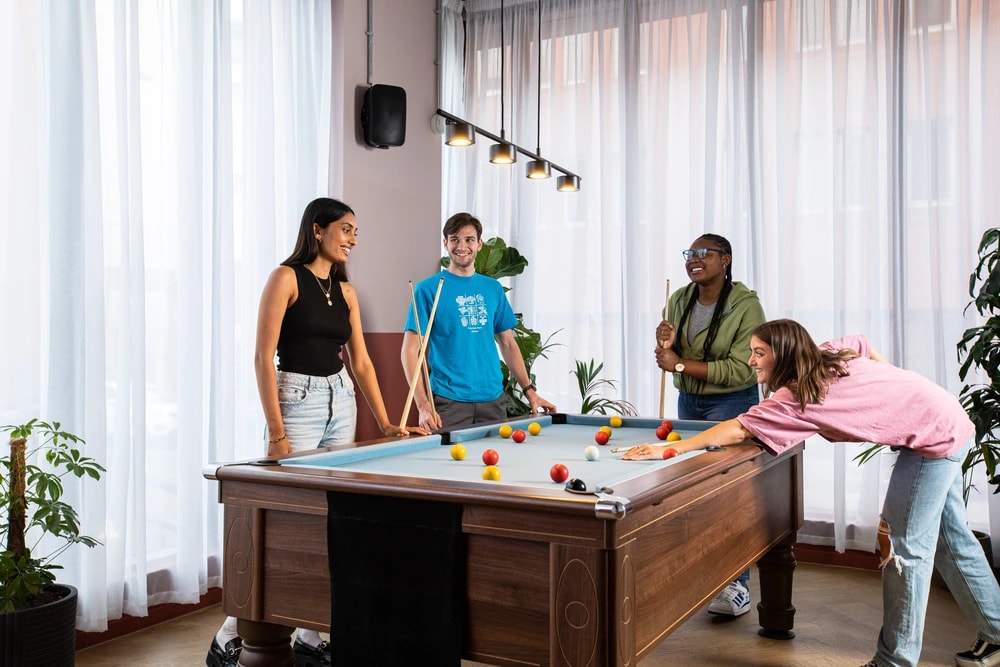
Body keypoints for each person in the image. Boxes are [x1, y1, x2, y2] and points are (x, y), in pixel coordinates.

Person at [625, 318, 1000, 667]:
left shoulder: (796, 397)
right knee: (952, 542)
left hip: (933, 442)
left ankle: (894, 661)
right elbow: (863, 344)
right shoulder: (825, 353)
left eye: (759, 353)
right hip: (948, 420)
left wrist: (666, 449)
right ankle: (997, 634)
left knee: (903, 550)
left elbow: (737, 429)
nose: (750, 359)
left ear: (784, 355)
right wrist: (898, 394)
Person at [207, 197, 428, 667]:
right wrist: (276, 431)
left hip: (341, 400)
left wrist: (386, 421)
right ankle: (230, 631)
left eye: (355, 231)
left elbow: (362, 363)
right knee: (286, 520)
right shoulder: (284, 278)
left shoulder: (346, 293)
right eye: (345, 229)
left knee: (332, 522)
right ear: (317, 229)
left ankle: (310, 635)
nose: (352, 238)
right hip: (297, 402)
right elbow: (262, 357)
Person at [655, 233, 766, 617]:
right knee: (694, 490)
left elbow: (741, 369)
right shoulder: (680, 298)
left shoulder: (746, 306)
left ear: (726, 259)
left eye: (704, 253)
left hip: (732, 403)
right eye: (690, 253)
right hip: (690, 401)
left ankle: (736, 585)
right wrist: (666, 344)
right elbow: (673, 353)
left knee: (728, 493)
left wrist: (680, 364)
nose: (694, 259)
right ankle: (699, 573)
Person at [401, 212, 556, 431]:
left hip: (493, 399)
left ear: (479, 244)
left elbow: (508, 344)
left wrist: (530, 391)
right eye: (454, 239)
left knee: (493, 464)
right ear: (445, 243)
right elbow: (409, 351)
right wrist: (423, 404)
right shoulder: (427, 289)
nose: (461, 246)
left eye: (469, 239)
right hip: (449, 401)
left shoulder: (492, 289)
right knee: (448, 465)